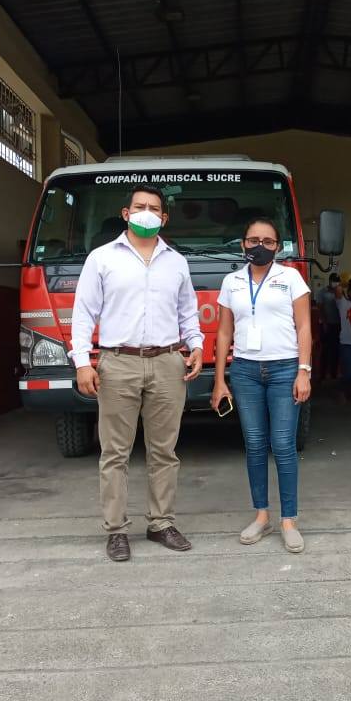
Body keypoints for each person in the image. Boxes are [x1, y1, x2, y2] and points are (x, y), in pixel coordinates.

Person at [71, 183, 204, 563]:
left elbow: (187, 311)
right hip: (118, 362)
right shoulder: (101, 258)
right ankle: (116, 529)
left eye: (154, 208)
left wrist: (196, 345)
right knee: (115, 452)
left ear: (164, 217)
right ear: (126, 214)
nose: (147, 212)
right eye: (140, 206)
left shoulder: (176, 262)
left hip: (167, 362)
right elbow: (84, 313)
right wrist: (82, 362)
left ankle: (161, 523)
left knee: (164, 451)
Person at [210, 218, 313, 553]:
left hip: (285, 369)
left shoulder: (291, 278)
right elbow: (224, 332)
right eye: (253, 240)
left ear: (277, 247)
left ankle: (289, 520)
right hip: (245, 372)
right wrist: (220, 380)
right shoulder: (232, 282)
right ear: (243, 244)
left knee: (283, 445)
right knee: (254, 445)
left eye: (268, 242)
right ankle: (262, 515)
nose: (260, 246)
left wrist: (304, 371)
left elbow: (304, 327)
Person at [315, 273, 342, 380]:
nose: (335, 283)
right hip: (326, 324)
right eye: (334, 281)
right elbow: (320, 309)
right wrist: (325, 323)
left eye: (337, 281)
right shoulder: (322, 292)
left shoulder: (340, 291)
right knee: (325, 350)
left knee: (336, 350)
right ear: (330, 281)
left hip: (337, 325)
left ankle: (333, 374)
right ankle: (322, 375)